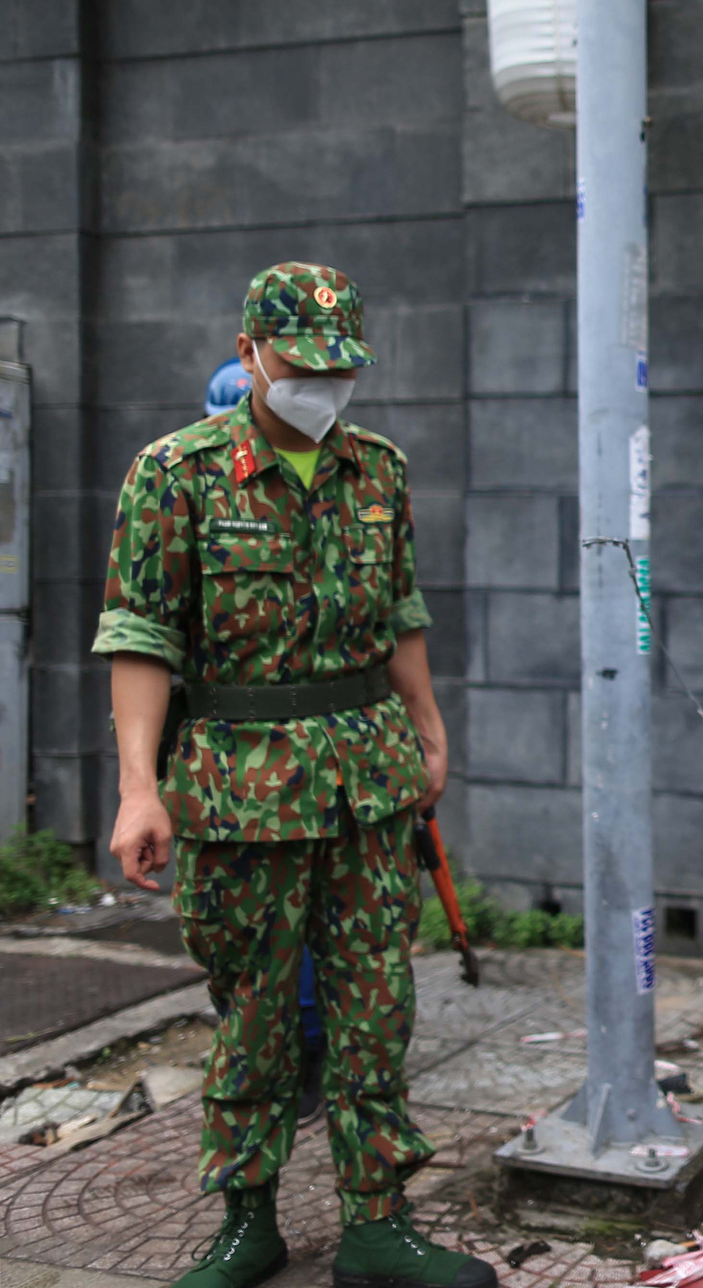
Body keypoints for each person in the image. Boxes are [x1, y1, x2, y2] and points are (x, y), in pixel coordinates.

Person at [98, 263, 496, 1288]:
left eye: (341, 367)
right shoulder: (175, 474)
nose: (323, 385)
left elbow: (400, 613)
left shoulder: (379, 470)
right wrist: (139, 787)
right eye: (301, 365)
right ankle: (247, 1222)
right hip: (241, 786)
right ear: (249, 356)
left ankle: (377, 1223)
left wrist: (429, 724)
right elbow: (141, 638)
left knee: (374, 1000)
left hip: (366, 777)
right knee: (257, 1014)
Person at [203, 354, 330, 1129]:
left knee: (292, 921)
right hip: (228, 761)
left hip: (301, 756)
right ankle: (275, 1058)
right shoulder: (182, 487)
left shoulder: (340, 486)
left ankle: (301, 1053)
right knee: (251, 923)